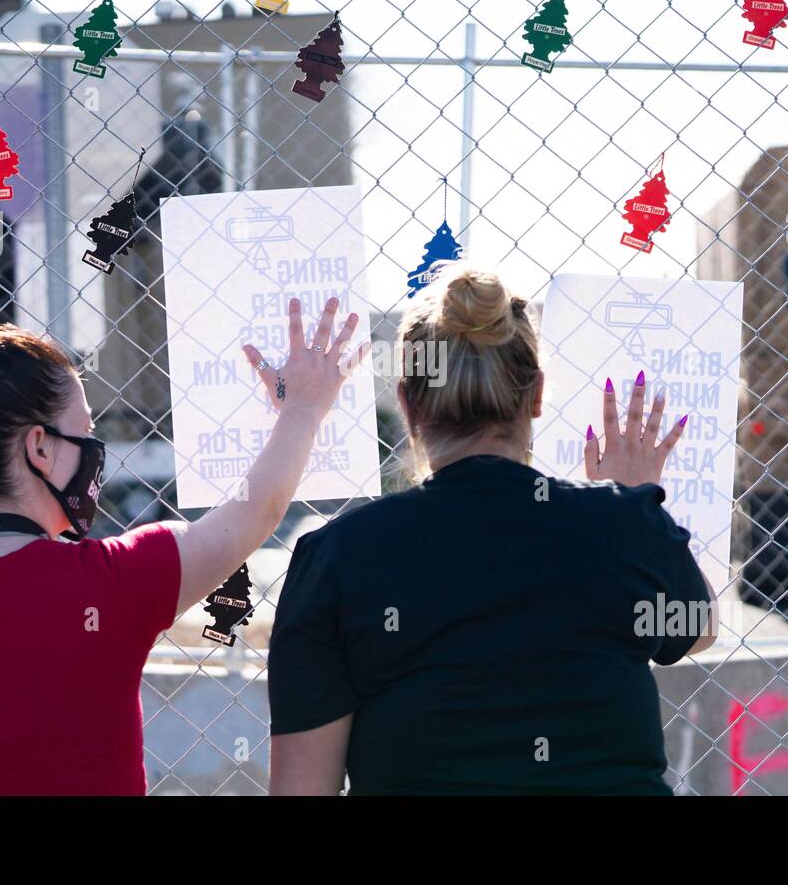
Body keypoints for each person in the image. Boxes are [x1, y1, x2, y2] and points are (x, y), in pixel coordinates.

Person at [0, 297, 364, 795]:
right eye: (84, 433)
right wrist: (303, 411)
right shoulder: (115, 579)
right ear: (38, 446)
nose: (95, 453)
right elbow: (256, 511)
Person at [267, 265, 718, 795]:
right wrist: (634, 502)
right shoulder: (621, 525)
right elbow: (700, 626)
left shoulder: (336, 556)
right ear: (536, 396)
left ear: (408, 403)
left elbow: (301, 790)